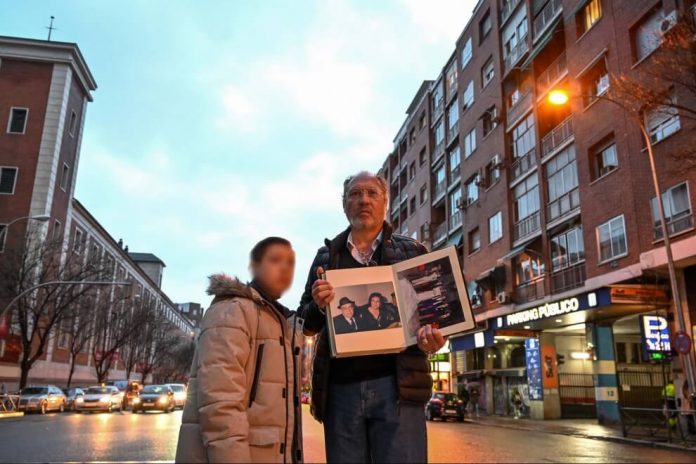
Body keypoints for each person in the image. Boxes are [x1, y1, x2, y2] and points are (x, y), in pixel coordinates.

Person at [298, 171, 446, 463]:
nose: (363, 200)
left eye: (371, 193)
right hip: (340, 393)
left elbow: (436, 319)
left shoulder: (413, 252)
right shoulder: (325, 258)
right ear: (344, 205)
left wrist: (434, 339)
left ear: (385, 203)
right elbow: (307, 325)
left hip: (398, 390)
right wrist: (317, 304)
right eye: (355, 194)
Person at [175, 237, 303, 463]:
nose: (284, 268)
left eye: (290, 263)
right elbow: (220, 406)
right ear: (255, 266)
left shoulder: (276, 320)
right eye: (275, 260)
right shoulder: (232, 311)